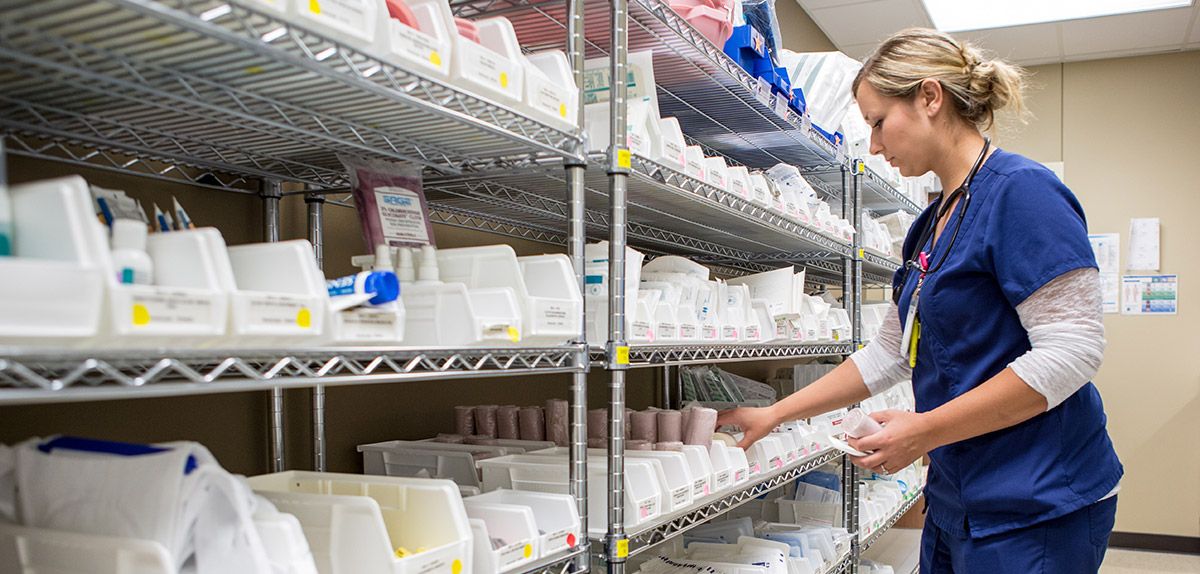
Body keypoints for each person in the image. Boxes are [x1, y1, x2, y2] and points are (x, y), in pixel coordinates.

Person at [717, 28, 1123, 573]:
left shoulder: (1023, 193)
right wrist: (776, 412)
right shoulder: (929, 226)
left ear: (930, 98)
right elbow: (892, 351)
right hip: (960, 494)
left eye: (879, 122)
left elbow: (1072, 351)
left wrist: (925, 428)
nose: (876, 145)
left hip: (1036, 500)